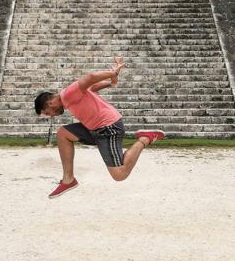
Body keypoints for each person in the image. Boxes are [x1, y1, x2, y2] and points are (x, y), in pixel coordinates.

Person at [34, 57, 165, 198]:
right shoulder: (70, 97)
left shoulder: (67, 94)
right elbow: (92, 88)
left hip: (109, 128)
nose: (51, 115)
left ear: (50, 103)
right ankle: (68, 180)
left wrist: (112, 73)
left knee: (119, 174)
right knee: (63, 134)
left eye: (48, 113)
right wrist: (110, 82)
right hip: (95, 129)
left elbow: (90, 78)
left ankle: (145, 138)